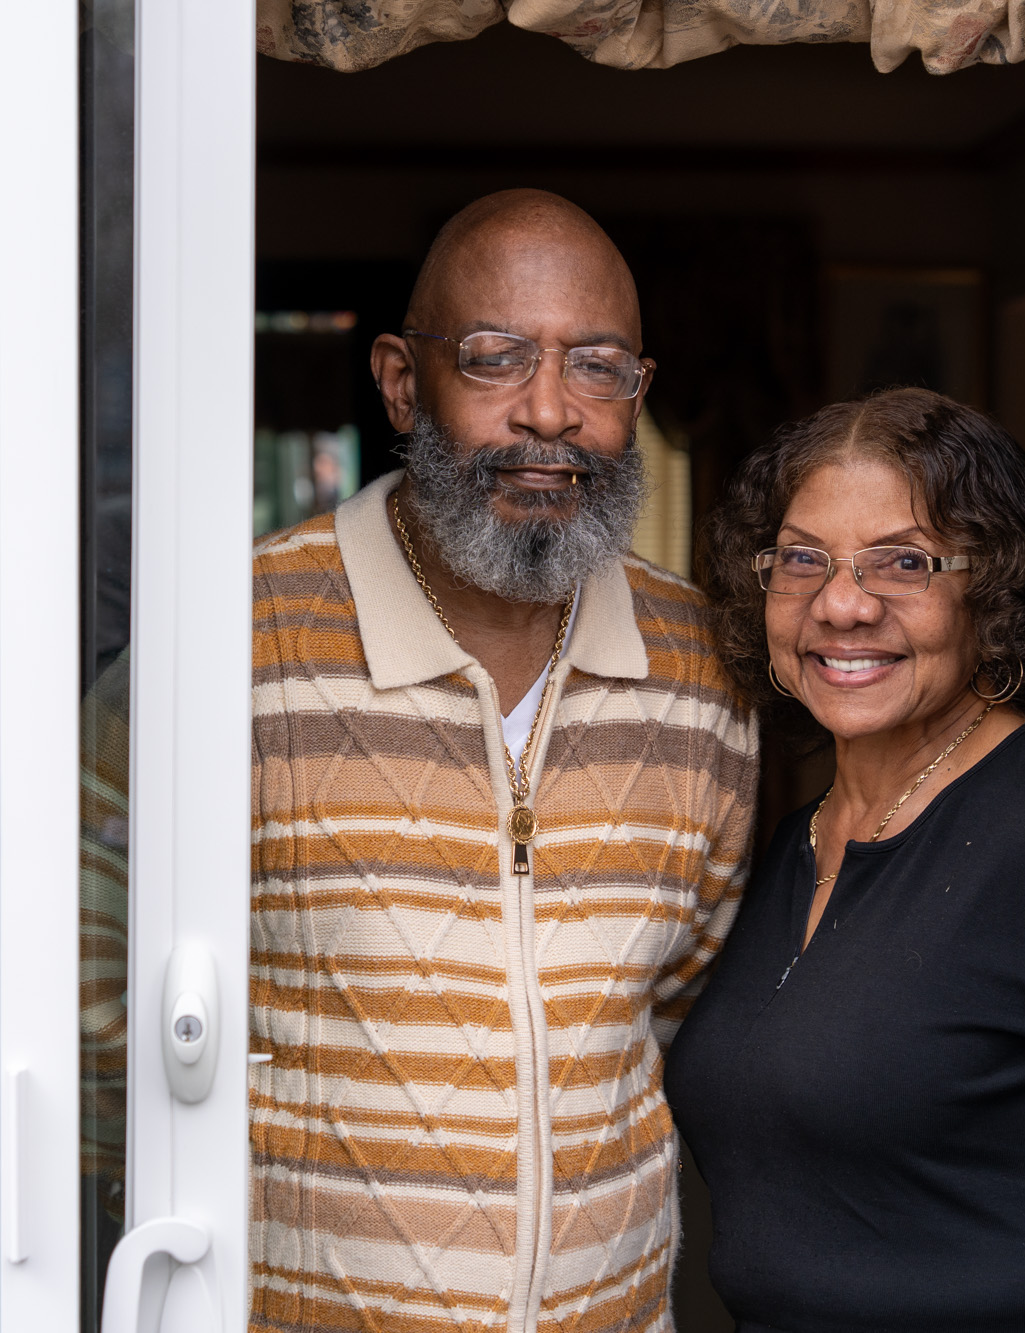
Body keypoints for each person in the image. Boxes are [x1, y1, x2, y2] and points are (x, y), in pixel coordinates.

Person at [247, 190, 759, 1333]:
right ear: (398, 381)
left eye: (596, 367)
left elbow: (670, 1002)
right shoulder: (242, 634)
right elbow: (99, 985)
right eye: (493, 360)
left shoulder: (698, 669)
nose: (549, 412)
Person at [665, 386, 1025, 1331]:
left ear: (991, 589)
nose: (841, 604)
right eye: (802, 560)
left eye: (902, 562)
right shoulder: (791, 841)